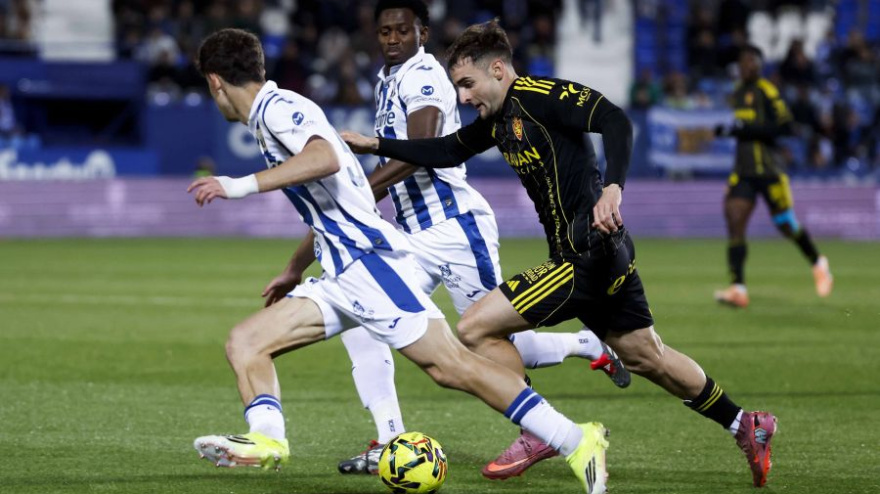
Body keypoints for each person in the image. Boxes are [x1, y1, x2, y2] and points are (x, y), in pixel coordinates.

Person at [343, 20, 777, 490]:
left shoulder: (540, 95)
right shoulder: (498, 117)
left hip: (581, 254)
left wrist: (613, 187)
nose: (463, 98)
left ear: (497, 69)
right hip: (604, 251)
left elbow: (615, 119)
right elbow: (449, 149)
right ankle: (745, 424)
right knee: (646, 355)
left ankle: (538, 429)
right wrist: (376, 144)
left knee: (474, 328)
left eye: (467, 84)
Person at [187, 28, 608, 494]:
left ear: (215, 82)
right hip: (341, 270)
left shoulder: (279, 108)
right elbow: (340, 200)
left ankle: (574, 438)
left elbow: (325, 158)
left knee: (451, 366)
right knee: (246, 342)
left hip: (368, 266)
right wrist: (294, 268)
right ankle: (268, 440)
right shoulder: (273, 114)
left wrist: (238, 185)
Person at [714, 45, 832, 308]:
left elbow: (786, 126)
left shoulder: (767, 91)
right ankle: (738, 288)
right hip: (743, 172)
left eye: (751, 62)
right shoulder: (738, 93)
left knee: (786, 224)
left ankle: (817, 261)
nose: (746, 66)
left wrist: (745, 128)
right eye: (742, 62)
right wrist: (730, 131)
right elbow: (742, 130)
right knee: (734, 219)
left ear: (759, 65)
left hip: (769, 170)